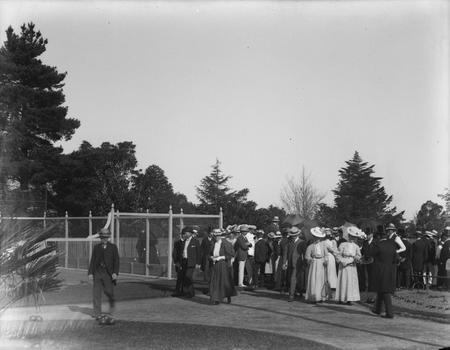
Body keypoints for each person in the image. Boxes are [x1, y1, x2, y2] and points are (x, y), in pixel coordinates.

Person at [88, 228, 120, 319]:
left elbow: (116, 261)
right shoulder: (96, 247)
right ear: (100, 238)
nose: (104, 239)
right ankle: (97, 313)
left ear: (108, 237)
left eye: (106, 237)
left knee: (109, 292)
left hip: (108, 273)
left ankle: (111, 311)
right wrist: (90, 273)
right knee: (96, 294)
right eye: (102, 237)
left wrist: (115, 273)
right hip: (98, 272)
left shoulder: (113, 247)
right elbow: (93, 260)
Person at [369, 227, 398, 319]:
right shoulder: (393, 245)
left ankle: (389, 313)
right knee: (381, 290)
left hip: (380, 270)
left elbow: (369, 253)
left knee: (385, 291)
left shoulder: (378, 245)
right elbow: (396, 259)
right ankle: (378, 309)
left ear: (379, 237)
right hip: (390, 270)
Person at [209, 229, 237, 304]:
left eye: (218, 236)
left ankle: (228, 296)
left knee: (224, 281)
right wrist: (211, 257)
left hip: (223, 264)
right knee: (215, 282)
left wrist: (221, 257)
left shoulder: (225, 243)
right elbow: (210, 253)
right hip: (215, 265)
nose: (216, 237)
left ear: (220, 236)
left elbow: (231, 254)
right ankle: (216, 298)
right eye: (215, 236)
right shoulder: (213, 243)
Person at [335, 226, 361, 305]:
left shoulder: (356, 246)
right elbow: (338, 254)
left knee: (351, 282)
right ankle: (341, 297)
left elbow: (358, 255)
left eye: (354, 237)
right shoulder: (343, 244)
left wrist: (356, 259)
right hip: (343, 265)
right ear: (348, 236)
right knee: (343, 280)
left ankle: (350, 298)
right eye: (351, 236)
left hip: (352, 265)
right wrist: (341, 261)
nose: (352, 238)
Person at [305, 227, 328, 303]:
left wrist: (325, 260)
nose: (317, 239)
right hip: (314, 263)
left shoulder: (323, 246)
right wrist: (310, 259)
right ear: (313, 237)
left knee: (320, 279)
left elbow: (326, 255)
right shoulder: (310, 246)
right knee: (314, 279)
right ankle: (313, 296)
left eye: (319, 237)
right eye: (316, 237)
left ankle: (320, 296)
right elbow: (307, 255)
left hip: (321, 263)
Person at [285, 226, 307, 301]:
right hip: (290, 263)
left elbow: (305, 254)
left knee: (293, 279)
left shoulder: (302, 242)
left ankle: (291, 295)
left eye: (294, 235)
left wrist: (305, 263)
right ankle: (298, 291)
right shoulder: (289, 242)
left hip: (298, 263)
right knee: (292, 279)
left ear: (297, 235)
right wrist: (284, 262)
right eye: (292, 235)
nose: (293, 237)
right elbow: (285, 253)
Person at [180, 226, 201, 298]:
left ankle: (189, 292)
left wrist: (198, 263)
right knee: (185, 277)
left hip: (192, 262)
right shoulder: (184, 241)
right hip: (184, 261)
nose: (184, 234)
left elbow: (199, 253)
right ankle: (188, 292)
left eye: (185, 233)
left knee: (188, 276)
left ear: (189, 233)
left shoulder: (196, 241)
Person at [323, 228, 338, 298]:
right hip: (324, 256)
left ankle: (332, 287)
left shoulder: (333, 241)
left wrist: (330, 249)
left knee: (330, 272)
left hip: (331, 257)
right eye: (326, 234)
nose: (327, 236)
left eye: (328, 234)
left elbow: (336, 251)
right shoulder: (322, 241)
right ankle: (325, 288)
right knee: (325, 272)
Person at [172, 232, 185, 297]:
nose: (184, 235)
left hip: (186, 263)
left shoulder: (187, 242)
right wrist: (176, 262)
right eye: (183, 234)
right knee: (179, 277)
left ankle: (184, 291)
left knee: (186, 277)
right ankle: (178, 291)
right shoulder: (177, 243)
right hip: (179, 263)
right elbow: (174, 253)